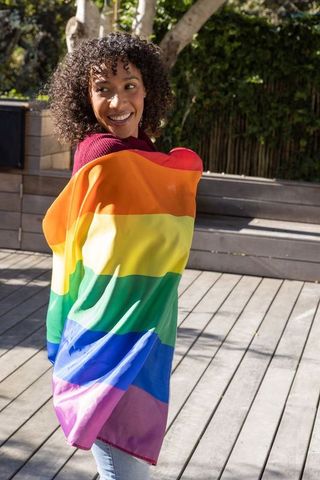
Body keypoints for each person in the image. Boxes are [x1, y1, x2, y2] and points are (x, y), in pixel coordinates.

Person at [43, 32, 202, 480]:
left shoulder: (147, 153)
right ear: (85, 97)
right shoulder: (103, 155)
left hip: (146, 325)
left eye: (129, 85)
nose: (118, 101)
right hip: (110, 331)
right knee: (123, 467)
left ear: (148, 88)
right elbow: (87, 248)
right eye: (103, 89)